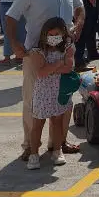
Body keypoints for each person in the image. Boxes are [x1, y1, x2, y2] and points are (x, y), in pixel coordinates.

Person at [6, 0, 85, 163]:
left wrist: (78, 26)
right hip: (37, 54)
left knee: (64, 98)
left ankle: (58, 143)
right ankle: (30, 146)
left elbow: (80, 9)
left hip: (65, 52)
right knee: (32, 100)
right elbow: (11, 17)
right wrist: (14, 44)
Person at [26, 17, 75, 170]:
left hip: (58, 91)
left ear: (63, 34)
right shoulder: (37, 51)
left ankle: (57, 150)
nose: (53, 37)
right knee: (38, 124)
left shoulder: (68, 47)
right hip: (42, 93)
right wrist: (60, 63)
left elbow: (69, 68)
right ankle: (33, 154)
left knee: (57, 121)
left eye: (57, 34)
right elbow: (41, 72)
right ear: (44, 35)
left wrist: (51, 67)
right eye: (50, 34)